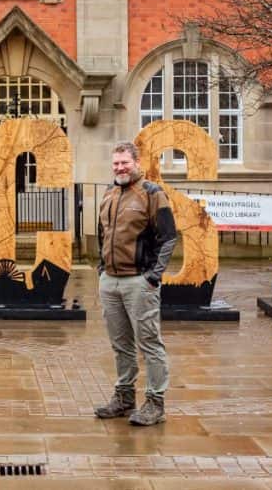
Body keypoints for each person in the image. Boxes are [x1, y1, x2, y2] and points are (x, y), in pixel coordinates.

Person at [94, 141, 177, 426]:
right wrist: (101, 268)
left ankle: (155, 402)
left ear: (136, 162)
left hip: (139, 281)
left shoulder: (152, 193)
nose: (119, 168)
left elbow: (169, 237)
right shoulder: (109, 192)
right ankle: (124, 397)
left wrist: (153, 276)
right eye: (116, 163)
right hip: (111, 281)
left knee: (150, 343)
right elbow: (101, 234)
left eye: (124, 163)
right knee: (121, 345)